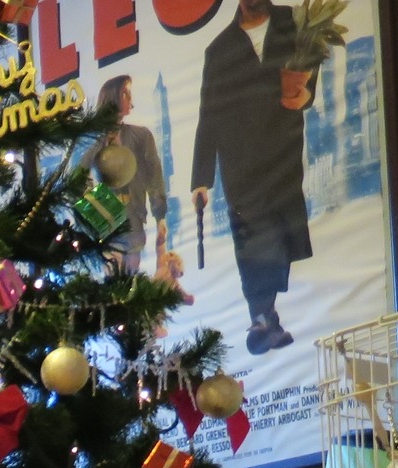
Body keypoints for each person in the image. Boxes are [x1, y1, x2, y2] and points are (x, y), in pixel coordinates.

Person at [189, 0, 315, 354]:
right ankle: (262, 318)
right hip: (239, 164)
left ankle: (266, 315)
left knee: (280, 236)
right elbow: (208, 113)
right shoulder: (220, 49)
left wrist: (305, 94)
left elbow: (312, 63)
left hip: (282, 154)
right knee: (253, 240)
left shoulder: (294, 22)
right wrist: (201, 179)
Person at [88, 76, 165, 277]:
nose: (130, 98)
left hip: (134, 216)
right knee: (114, 277)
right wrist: (98, 210)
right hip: (107, 220)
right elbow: (77, 176)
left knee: (131, 277)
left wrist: (160, 216)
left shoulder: (141, 136)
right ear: (112, 97)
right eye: (125, 92)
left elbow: (154, 176)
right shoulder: (94, 141)